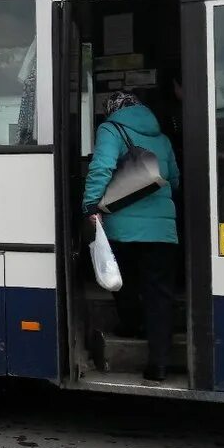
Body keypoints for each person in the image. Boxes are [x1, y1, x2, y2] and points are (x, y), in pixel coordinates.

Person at [82, 91, 181, 382]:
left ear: (113, 109)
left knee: (123, 282)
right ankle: (159, 363)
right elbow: (173, 179)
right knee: (159, 293)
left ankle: (131, 324)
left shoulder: (111, 129)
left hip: (122, 227)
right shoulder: (162, 138)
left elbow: (101, 168)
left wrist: (90, 205)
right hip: (163, 230)